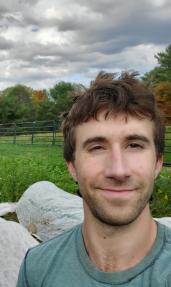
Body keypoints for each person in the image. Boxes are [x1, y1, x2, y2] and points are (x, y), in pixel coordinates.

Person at [16, 71, 171, 286]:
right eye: (97, 147)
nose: (118, 170)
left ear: (157, 163)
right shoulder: (35, 269)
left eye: (134, 145)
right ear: (73, 167)